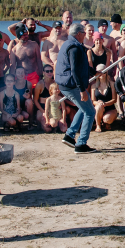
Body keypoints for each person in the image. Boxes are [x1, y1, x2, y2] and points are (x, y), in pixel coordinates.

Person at [54, 23, 96, 152]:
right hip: (71, 85)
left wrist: (94, 72)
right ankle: (81, 144)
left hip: (68, 83)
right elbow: (75, 71)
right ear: (78, 34)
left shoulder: (71, 44)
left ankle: (69, 135)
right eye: (84, 32)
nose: (85, 35)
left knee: (84, 108)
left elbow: (81, 67)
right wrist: (82, 89)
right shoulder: (74, 48)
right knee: (90, 112)